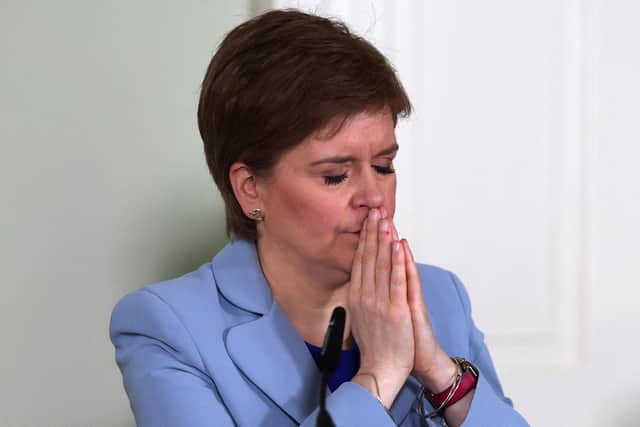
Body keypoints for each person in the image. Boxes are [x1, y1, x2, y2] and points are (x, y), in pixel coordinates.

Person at [109, 9, 529, 427]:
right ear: (250, 187)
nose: (374, 198)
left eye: (384, 167)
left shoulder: (441, 297)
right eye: (335, 176)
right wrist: (379, 376)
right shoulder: (167, 327)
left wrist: (440, 372)